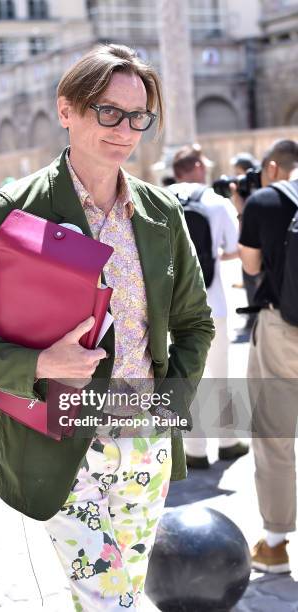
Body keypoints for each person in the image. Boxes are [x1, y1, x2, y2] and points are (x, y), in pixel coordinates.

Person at [0, 44, 214, 610]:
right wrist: (40, 365)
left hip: (145, 442)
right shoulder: (16, 209)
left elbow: (195, 324)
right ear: (67, 109)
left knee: (117, 595)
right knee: (115, 602)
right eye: (109, 112)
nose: (125, 129)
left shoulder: (162, 212)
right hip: (58, 442)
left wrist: (167, 406)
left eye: (139, 117)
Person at [169, 144, 249, 469]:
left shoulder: (156, 200)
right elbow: (235, 248)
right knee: (221, 376)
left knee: (184, 378)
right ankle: (228, 442)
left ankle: (195, 450)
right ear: (199, 168)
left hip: (171, 311)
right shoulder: (217, 203)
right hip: (211, 305)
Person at [239, 139, 298, 573]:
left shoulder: (263, 201)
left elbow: (253, 268)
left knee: (274, 433)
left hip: (285, 331)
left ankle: (274, 544)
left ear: (274, 168)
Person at [230, 152, 262, 331]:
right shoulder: (256, 185)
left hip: (251, 240)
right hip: (254, 238)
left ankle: (254, 319)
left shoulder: (249, 190)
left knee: (251, 278)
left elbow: (243, 211)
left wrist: (236, 195)